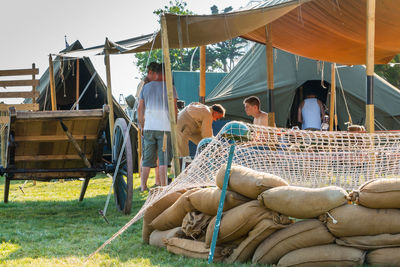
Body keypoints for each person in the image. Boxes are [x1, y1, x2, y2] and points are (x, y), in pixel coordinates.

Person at [138, 62, 178, 191]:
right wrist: (175, 125)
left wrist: (142, 125)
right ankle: (163, 185)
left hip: (149, 127)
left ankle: (143, 186)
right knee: (163, 159)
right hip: (165, 128)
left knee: (147, 159)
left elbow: (140, 109)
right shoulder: (170, 88)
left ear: (154, 73)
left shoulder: (145, 88)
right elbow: (174, 108)